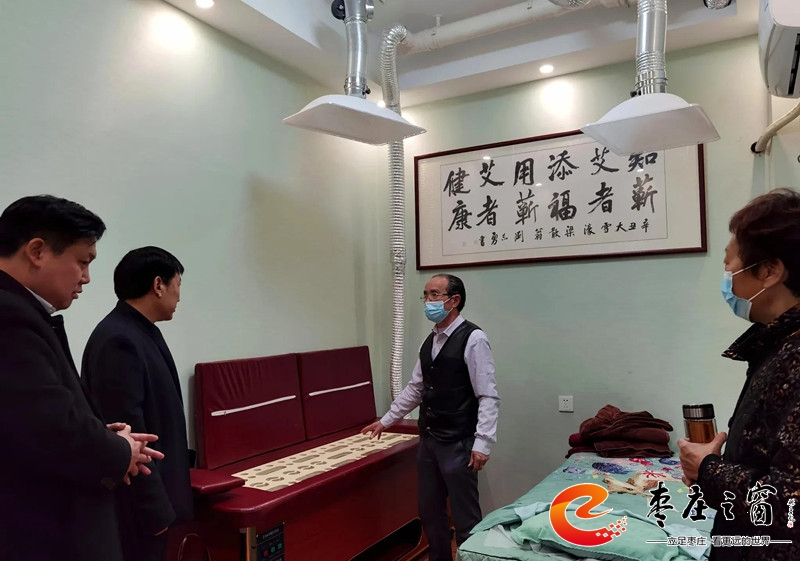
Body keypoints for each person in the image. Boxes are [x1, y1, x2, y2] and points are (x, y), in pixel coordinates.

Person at [0, 195, 163, 561]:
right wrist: (121, 450)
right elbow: (50, 427)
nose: (86, 278)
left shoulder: (24, 312)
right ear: (37, 251)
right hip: (40, 531)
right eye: (83, 262)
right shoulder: (9, 316)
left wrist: (104, 435)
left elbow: (26, 415)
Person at [679, 188, 800, 561]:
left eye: (730, 264)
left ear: (770, 271)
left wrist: (708, 469)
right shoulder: (777, 345)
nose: (728, 278)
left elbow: (789, 504)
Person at [362, 273, 500, 561]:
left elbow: (487, 395)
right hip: (429, 440)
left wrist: (483, 443)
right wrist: (386, 420)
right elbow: (416, 388)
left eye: (435, 295)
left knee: (465, 516)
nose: (428, 301)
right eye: (425, 295)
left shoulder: (474, 339)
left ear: (454, 300)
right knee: (430, 511)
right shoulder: (430, 341)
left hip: (459, 442)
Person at [82, 247, 193, 561]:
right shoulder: (119, 340)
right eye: (178, 285)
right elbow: (130, 436)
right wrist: (154, 510)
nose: (179, 295)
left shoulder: (138, 331)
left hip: (153, 502)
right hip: (137, 511)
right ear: (158, 285)